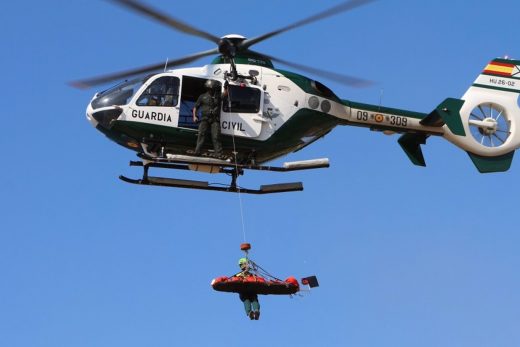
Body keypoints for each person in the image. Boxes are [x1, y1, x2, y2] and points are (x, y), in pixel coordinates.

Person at [191, 79, 227, 158]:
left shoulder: (218, 96)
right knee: (201, 134)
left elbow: (225, 94)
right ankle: (197, 151)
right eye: (211, 89)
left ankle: (219, 154)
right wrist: (194, 116)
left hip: (215, 119)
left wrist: (226, 87)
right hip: (205, 118)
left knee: (216, 136)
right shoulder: (202, 97)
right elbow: (195, 107)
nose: (212, 90)